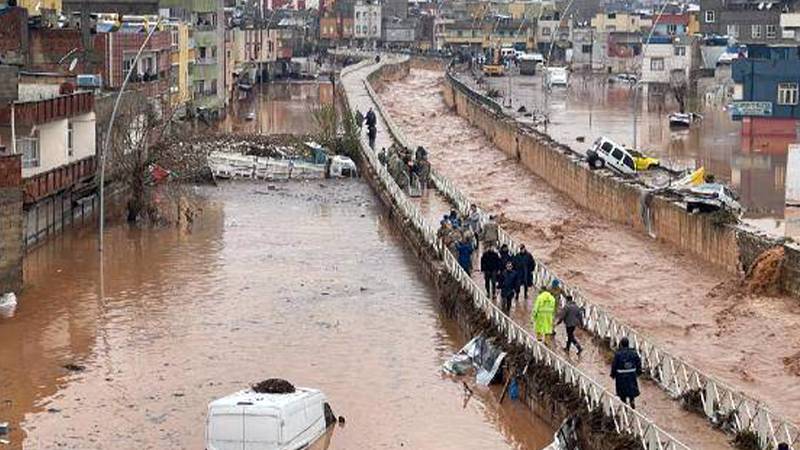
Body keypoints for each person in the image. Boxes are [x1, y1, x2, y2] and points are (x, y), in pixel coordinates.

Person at [610, 337, 642, 409]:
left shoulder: (618, 354)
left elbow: (614, 364)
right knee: (631, 390)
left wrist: (613, 374)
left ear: (621, 344)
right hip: (631, 374)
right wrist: (638, 372)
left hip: (621, 376)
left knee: (622, 392)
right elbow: (638, 362)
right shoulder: (633, 352)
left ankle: (624, 406)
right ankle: (632, 401)